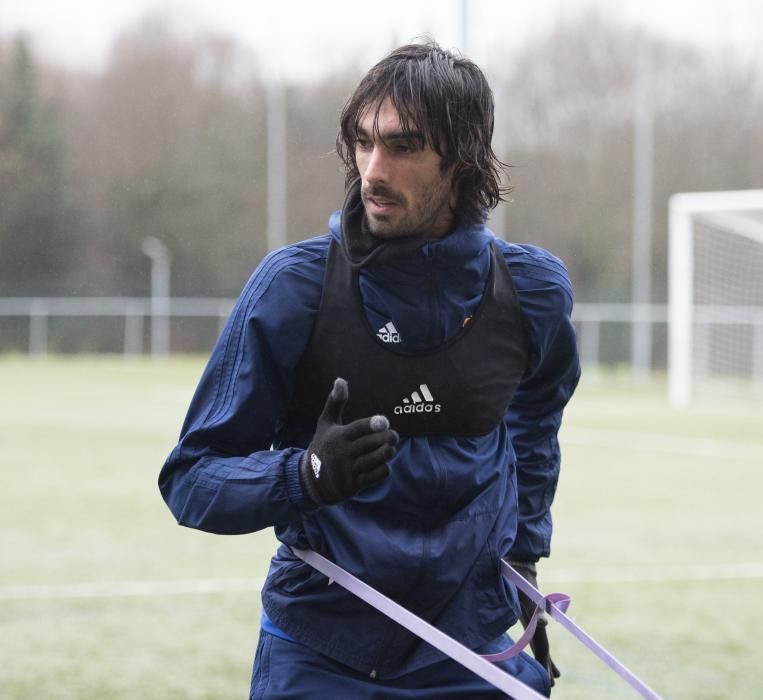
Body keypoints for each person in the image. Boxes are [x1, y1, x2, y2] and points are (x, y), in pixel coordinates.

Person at [158, 40, 580, 698]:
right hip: (322, 653)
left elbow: (535, 418)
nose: (373, 169)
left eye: (403, 146)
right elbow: (191, 480)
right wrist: (302, 476)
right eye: (362, 142)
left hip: (473, 649)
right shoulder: (293, 289)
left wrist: (523, 554)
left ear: (463, 158)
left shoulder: (530, 293)